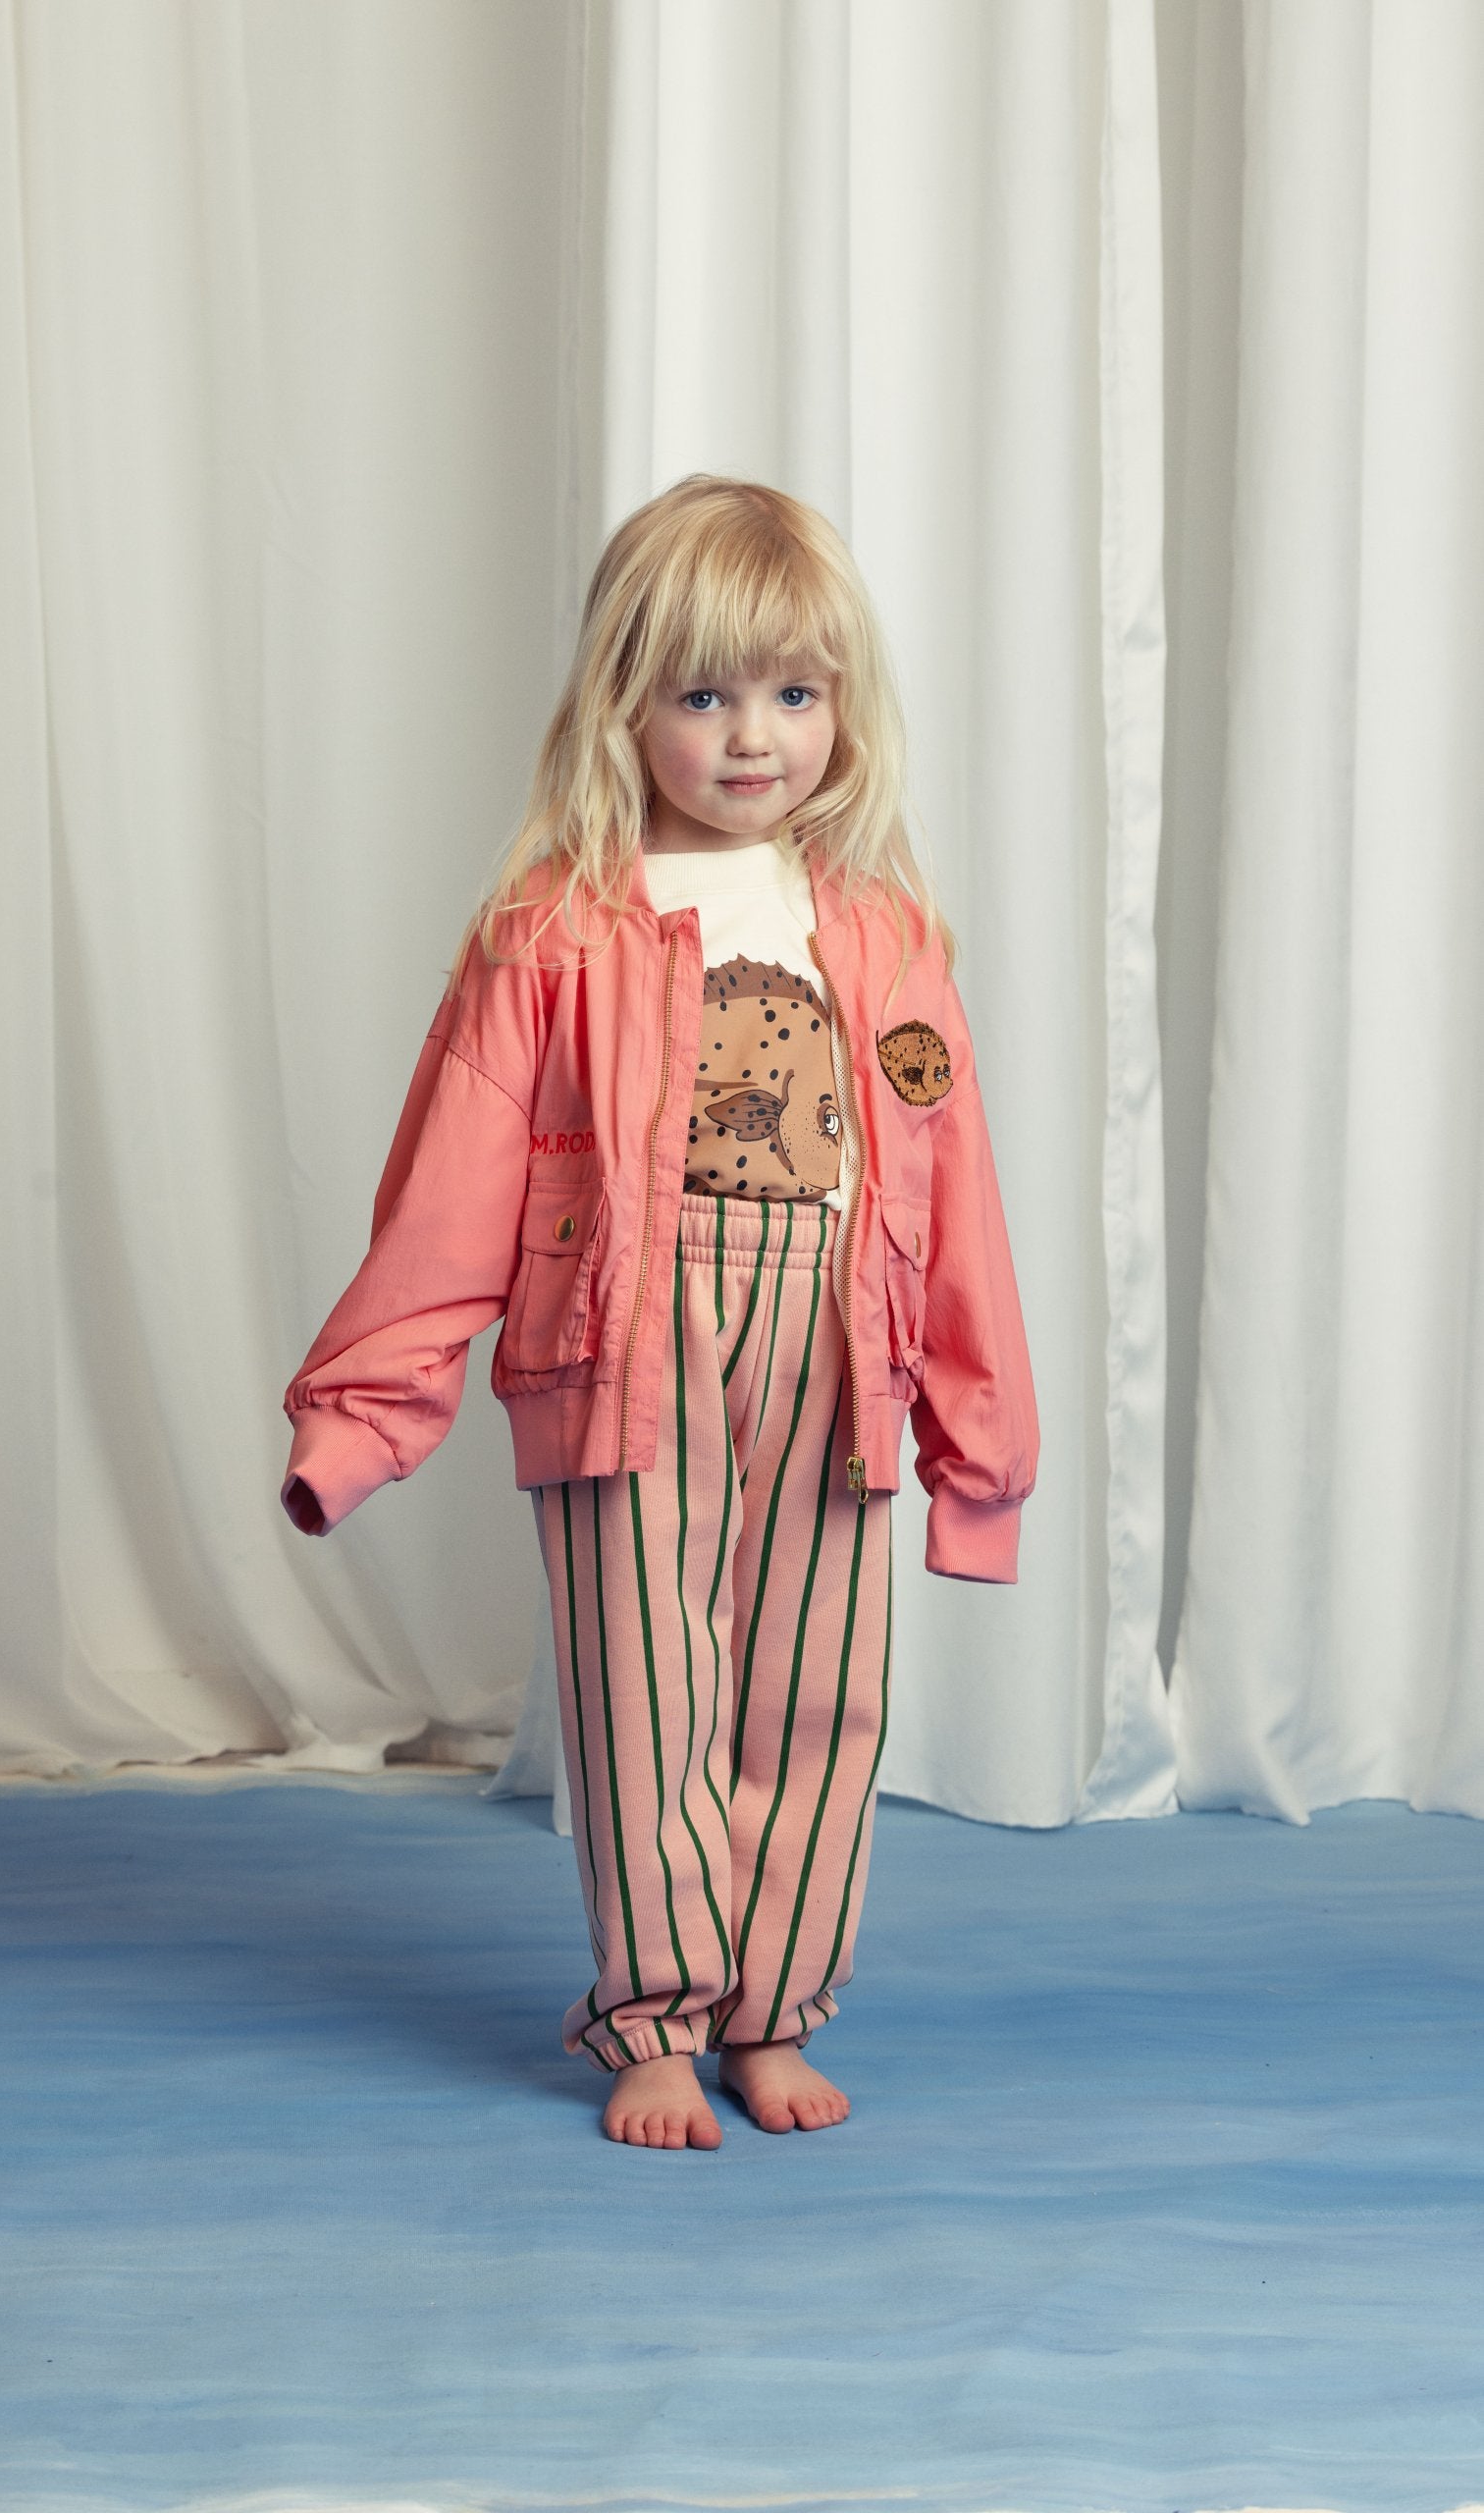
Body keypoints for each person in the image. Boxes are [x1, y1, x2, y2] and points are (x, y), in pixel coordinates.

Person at [280, 475, 1038, 2152]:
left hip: (837, 1355)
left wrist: (975, 1442)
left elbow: (953, 1200)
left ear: (845, 707)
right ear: (624, 704)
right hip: (629, 1356)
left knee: (818, 1697)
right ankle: (655, 2018)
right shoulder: (555, 933)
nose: (753, 736)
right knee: (647, 1697)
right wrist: (363, 1414)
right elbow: (451, 1191)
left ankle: (776, 2008)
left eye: (792, 691)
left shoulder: (892, 941)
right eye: (703, 693)